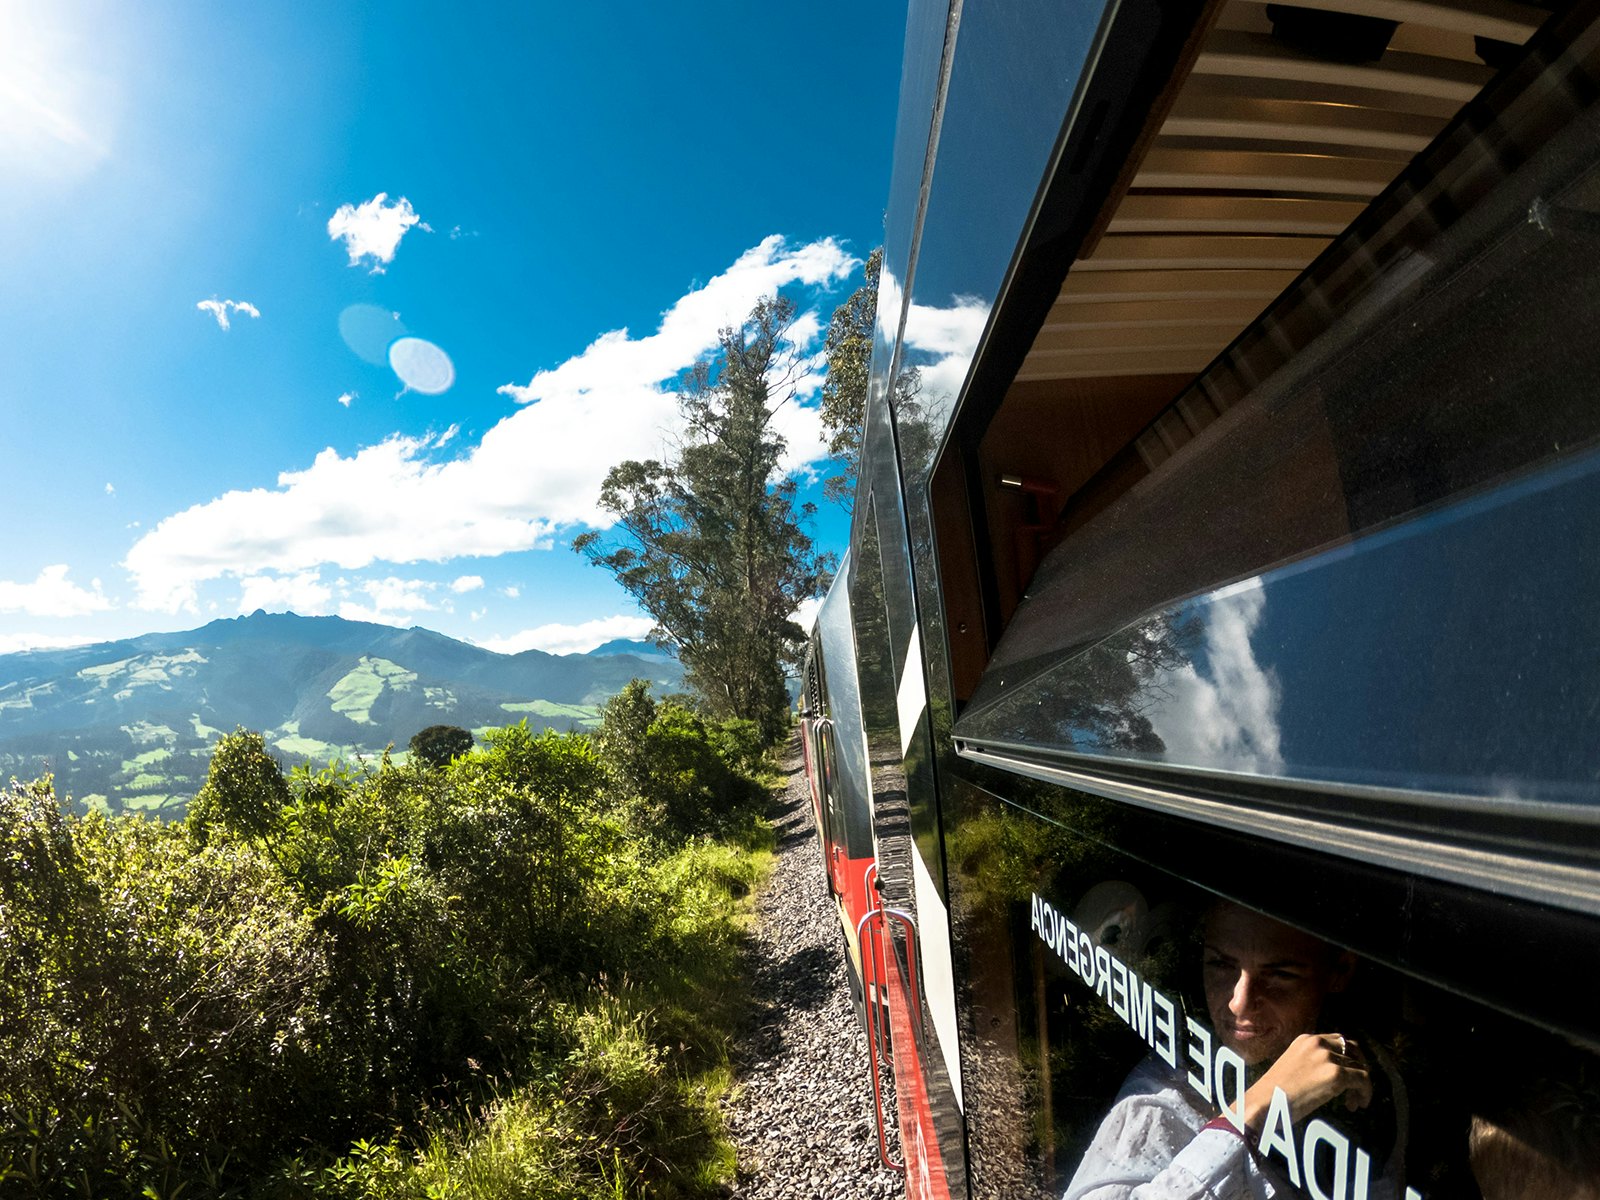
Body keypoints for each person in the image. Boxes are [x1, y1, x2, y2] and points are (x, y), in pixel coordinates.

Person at [1064, 902, 1375, 1199]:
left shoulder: (1374, 1081)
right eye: (1221, 964)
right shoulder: (1169, 1091)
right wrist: (1252, 1113)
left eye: (1280, 974)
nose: (1239, 1002)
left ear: (1341, 971)